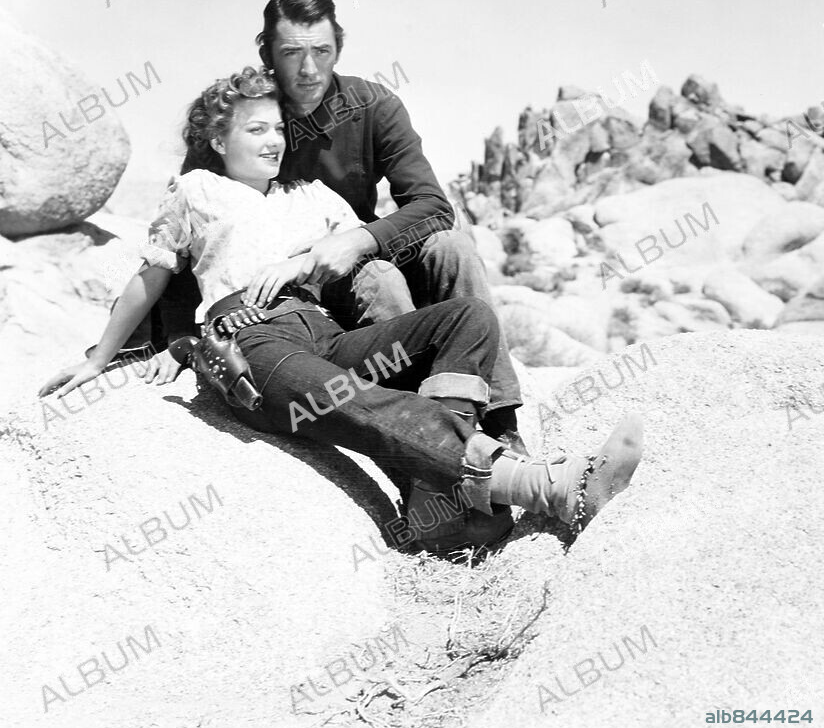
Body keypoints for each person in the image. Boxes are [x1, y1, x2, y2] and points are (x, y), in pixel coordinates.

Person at [39, 68, 643, 555]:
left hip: (323, 330)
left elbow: (393, 233)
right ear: (219, 141)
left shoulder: (309, 196)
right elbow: (152, 278)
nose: (273, 140)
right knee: (369, 404)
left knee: (468, 318)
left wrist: (319, 258)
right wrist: (105, 358)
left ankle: (438, 508)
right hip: (253, 344)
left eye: (277, 127)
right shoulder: (196, 190)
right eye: (255, 130)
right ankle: (546, 486)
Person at [151, 0, 523, 448]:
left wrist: (355, 242)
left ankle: (501, 421)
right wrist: (180, 334)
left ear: (338, 50)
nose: (309, 70)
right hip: (294, 294)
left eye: (322, 51)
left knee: (452, 246)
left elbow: (432, 204)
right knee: (380, 278)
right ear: (267, 52)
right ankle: (423, 421)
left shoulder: (374, 105)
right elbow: (191, 235)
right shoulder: (251, 114)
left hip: (353, 249)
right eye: (291, 53)